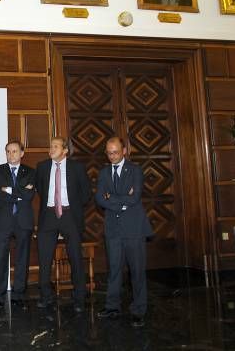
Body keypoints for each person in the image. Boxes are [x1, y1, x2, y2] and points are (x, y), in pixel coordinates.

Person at [95, 137, 153, 328]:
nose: (112, 156)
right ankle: (112, 306)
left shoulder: (135, 170)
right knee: (114, 269)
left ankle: (139, 310)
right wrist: (120, 201)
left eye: (115, 152)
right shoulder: (103, 173)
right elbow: (100, 199)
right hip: (113, 229)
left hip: (134, 228)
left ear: (124, 151)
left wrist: (112, 199)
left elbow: (134, 197)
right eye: (109, 153)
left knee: (136, 271)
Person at [35, 137, 91, 312]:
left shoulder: (77, 168)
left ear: (65, 150)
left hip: (70, 215)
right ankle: (46, 296)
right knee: (44, 258)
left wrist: (72, 207)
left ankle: (79, 298)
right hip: (48, 215)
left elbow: (86, 193)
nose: (51, 149)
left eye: (55, 146)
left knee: (75, 257)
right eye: (50, 146)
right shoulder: (42, 167)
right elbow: (39, 189)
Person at [0, 140, 36, 314]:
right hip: (3, 221)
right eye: (8, 151)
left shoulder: (30, 172)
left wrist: (9, 190)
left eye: (15, 151)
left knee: (22, 259)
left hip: (23, 221)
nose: (11, 154)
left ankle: (18, 296)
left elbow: (29, 195)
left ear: (22, 153)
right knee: (1, 258)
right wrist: (19, 193)